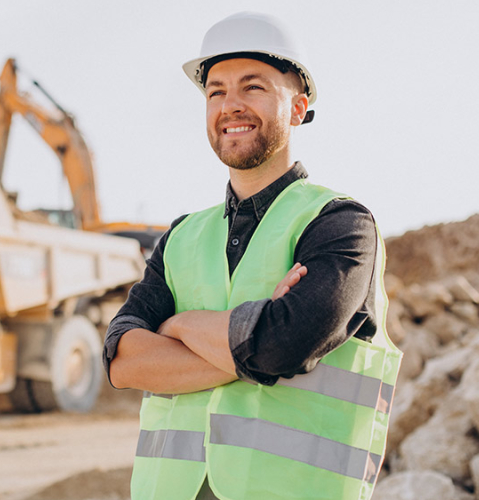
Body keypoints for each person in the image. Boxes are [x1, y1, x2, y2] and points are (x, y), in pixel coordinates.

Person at [103, 12, 402, 500]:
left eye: (253, 87)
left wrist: (176, 326)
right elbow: (122, 362)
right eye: (216, 91)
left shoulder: (341, 225)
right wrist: (254, 338)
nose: (230, 105)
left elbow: (284, 347)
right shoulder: (181, 237)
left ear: (298, 109)